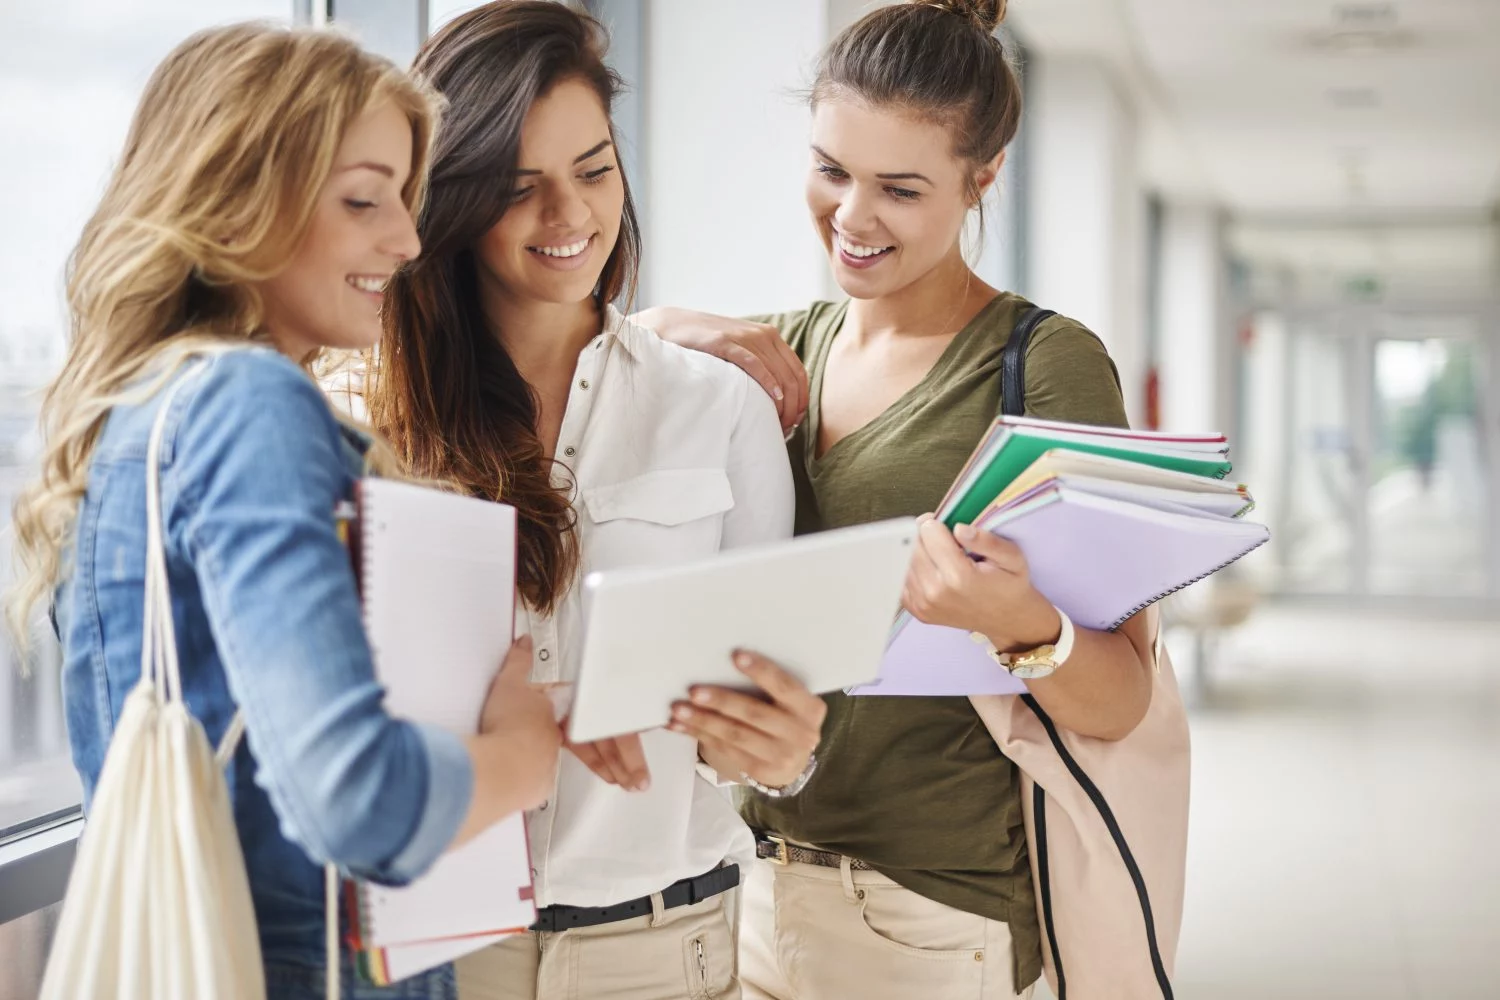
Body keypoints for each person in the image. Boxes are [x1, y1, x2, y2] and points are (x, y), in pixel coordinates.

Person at [4, 24, 561, 999]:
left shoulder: (138, 414)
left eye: (404, 198)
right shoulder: (247, 404)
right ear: (236, 200)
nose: (408, 240)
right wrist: (523, 757)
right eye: (362, 200)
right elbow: (360, 803)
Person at [637, 2, 1159, 997]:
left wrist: (1021, 623)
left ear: (983, 177)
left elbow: (1121, 695)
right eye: (831, 169)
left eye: (900, 188)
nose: (851, 215)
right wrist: (653, 327)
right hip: (740, 887)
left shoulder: (1046, 369)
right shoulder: (771, 350)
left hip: (929, 913)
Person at [368, 4, 826, 998]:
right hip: (444, 950)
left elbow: (759, 736)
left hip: (663, 947)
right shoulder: (377, 433)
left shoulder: (720, 409)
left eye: (593, 168)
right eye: (519, 187)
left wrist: (782, 748)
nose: (569, 216)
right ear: (450, 200)